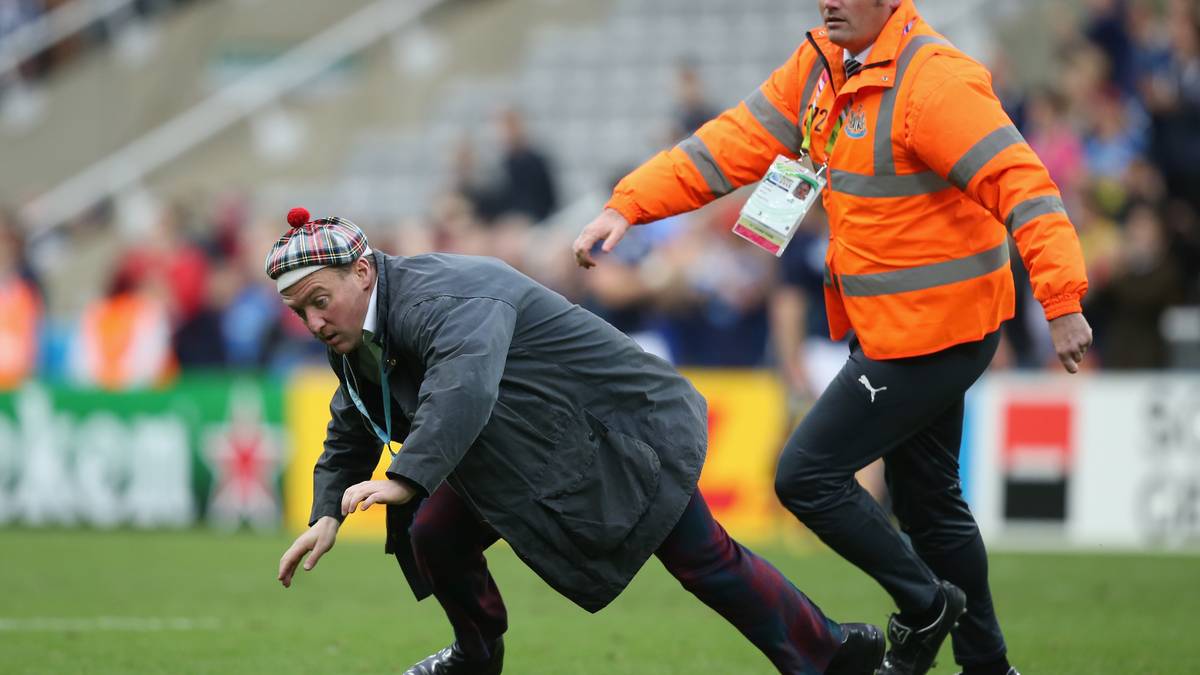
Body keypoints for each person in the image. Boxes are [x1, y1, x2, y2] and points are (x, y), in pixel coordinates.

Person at [572, 2, 1094, 675]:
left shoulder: (933, 82)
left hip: (934, 334)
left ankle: (926, 604)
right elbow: (731, 141)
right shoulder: (822, 65)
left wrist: (1061, 299)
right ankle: (988, 664)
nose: (830, 1)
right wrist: (627, 204)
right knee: (929, 502)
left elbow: (1021, 181)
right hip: (898, 329)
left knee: (805, 475)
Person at [268, 207, 884, 675]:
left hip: (620, 430)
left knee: (705, 561)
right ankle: (475, 658)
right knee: (435, 534)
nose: (315, 323)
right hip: (529, 446)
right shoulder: (357, 330)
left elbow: (463, 389)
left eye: (320, 301)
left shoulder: (442, 297)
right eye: (301, 312)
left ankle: (831, 654)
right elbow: (351, 419)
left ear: (364, 270)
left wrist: (405, 479)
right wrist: (327, 514)